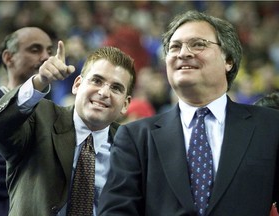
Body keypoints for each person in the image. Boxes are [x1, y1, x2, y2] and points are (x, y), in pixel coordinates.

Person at [98, 10, 279, 216]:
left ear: (228, 59)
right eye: (174, 47)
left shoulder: (270, 126)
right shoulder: (135, 138)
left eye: (198, 44)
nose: (183, 53)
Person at [0, 40, 136, 216]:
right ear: (77, 85)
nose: (104, 93)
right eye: (97, 80)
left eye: (116, 88)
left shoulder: (132, 147)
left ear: (125, 104)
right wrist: (40, 81)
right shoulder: (39, 117)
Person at [0, 26, 53, 216]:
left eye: (49, 51)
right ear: (8, 58)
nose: (45, 57)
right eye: (35, 50)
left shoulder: (52, 110)